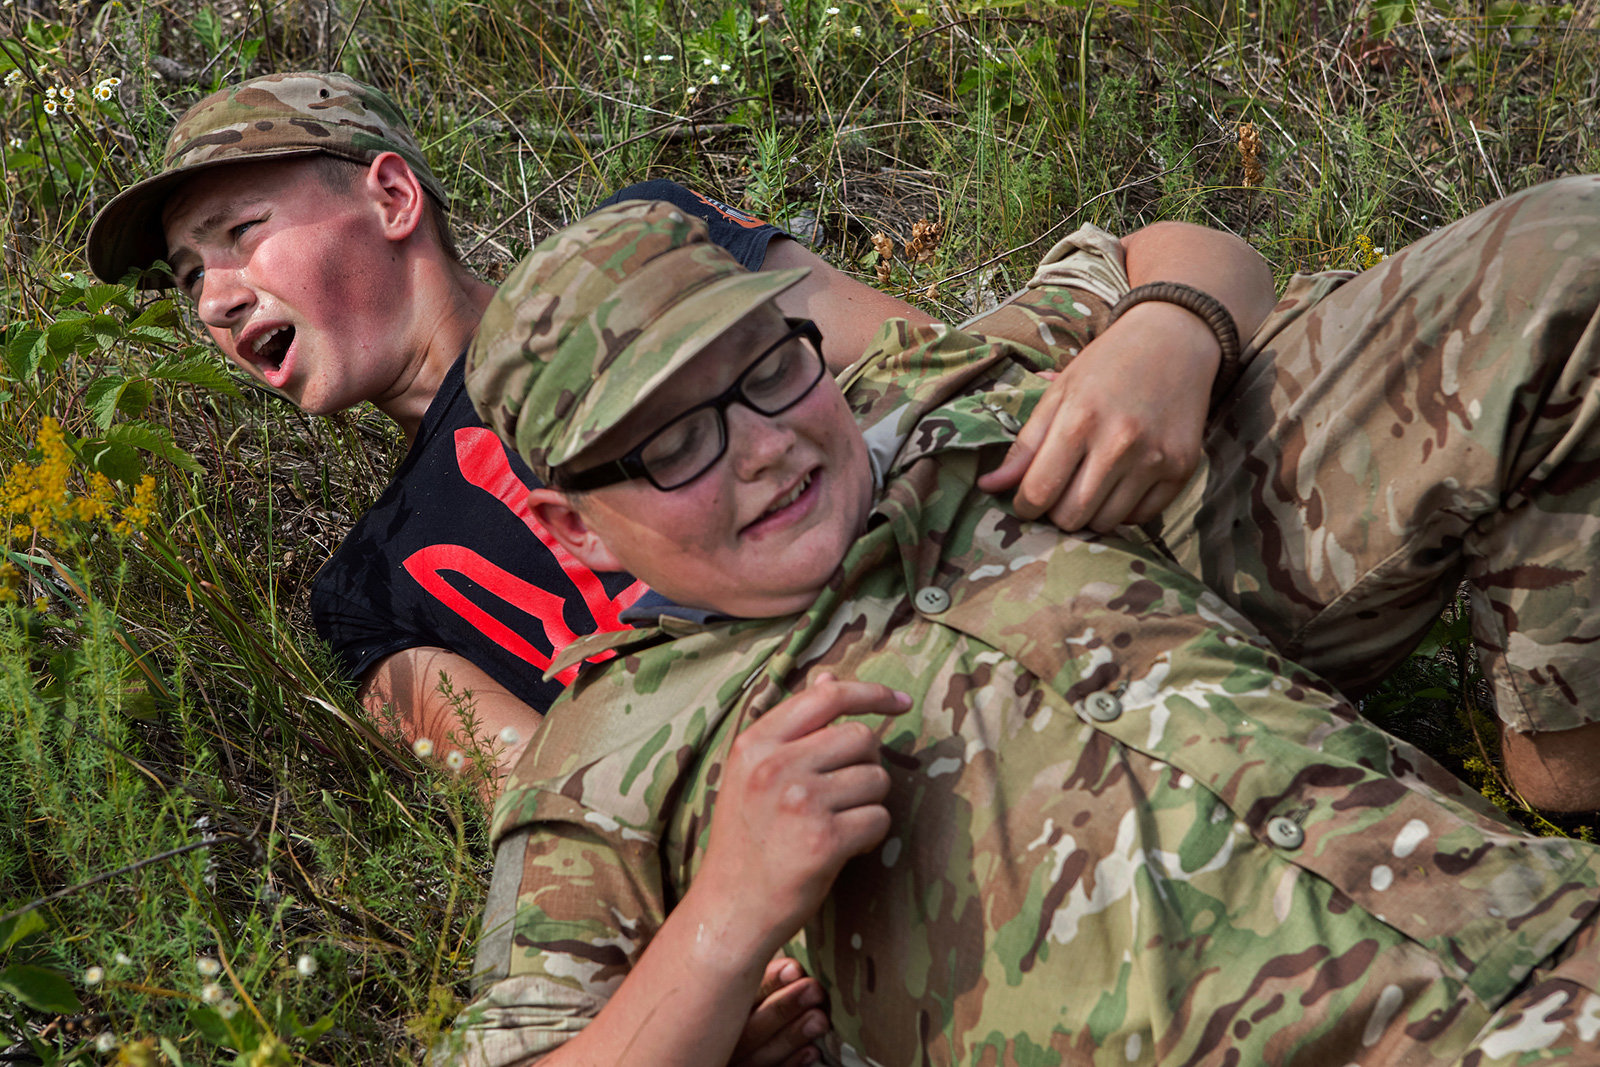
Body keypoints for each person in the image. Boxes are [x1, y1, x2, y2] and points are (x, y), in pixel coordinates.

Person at [447, 197, 1600, 1066]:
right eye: (671, 442)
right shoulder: (602, 756)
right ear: (572, 529)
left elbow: (1176, 249)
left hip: (1535, 931)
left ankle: (1564, 753)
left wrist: (1170, 331)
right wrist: (723, 921)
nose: (761, 444)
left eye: (765, 369)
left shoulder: (931, 404)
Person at [84, 70, 1274, 789]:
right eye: (190, 277)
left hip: (1032, 588)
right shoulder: (366, 593)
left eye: (240, 232)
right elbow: (546, 788)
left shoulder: (644, 254)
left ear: (392, 197)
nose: (215, 296)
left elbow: (945, 368)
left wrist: (1164, 325)